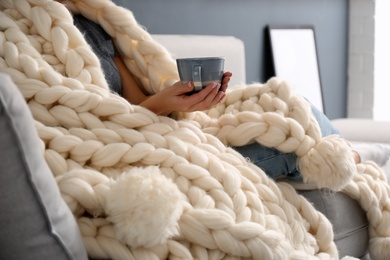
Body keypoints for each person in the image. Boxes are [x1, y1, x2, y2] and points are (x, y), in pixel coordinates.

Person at [72, 12, 360, 181]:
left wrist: (177, 101)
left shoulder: (89, 22)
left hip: (157, 129)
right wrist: (164, 103)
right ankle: (347, 158)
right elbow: (92, 129)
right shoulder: (32, 41)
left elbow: (133, 104)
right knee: (286, 144)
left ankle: (346, 152)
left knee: (293, 104)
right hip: (125, 152)